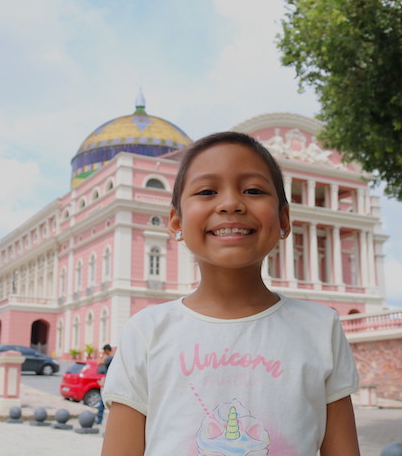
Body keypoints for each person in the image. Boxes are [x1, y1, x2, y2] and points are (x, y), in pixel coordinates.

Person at [100, 132, 361, 456]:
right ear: (176, 222)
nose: (230, 204)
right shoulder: (147, 331)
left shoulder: (321, 328)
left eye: (253, 190)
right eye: (207, 191)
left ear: (283, 219)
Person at [96, 343, 114, 425]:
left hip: (108, 382)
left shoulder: (109, 358)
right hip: (112, 381)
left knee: (102, 401)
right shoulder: (114, 357)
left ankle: (99, 419)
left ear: (106, 350)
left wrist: (100, 356)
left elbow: (99, 363)